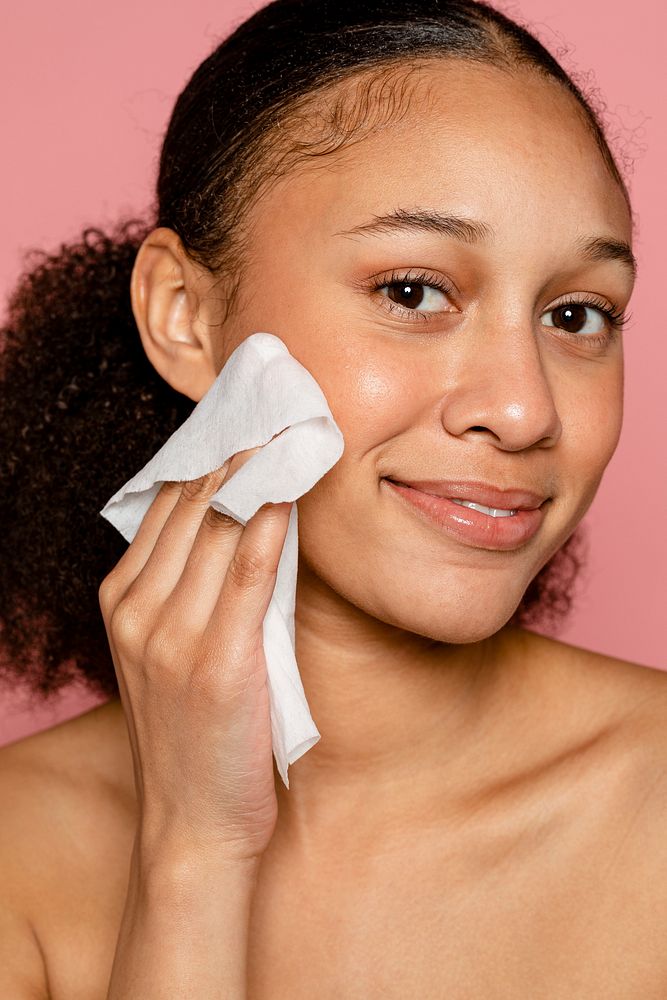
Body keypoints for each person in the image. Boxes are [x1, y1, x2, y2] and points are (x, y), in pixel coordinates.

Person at [0, 0, 665, 995]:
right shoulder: (19, 857)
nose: (525, 410)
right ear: (186, 316)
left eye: (577, 314)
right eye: (412, 291)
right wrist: (192, 857)